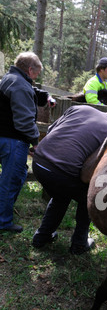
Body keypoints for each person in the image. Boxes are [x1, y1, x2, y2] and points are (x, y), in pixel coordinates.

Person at [32, 105, 107, 254]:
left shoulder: (80, 109)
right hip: (62, 172)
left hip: (39, 162)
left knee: (61, 196)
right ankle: (79, 243)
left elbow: (50, 130)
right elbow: (100, 162)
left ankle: (42, 236)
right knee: (88, 197)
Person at [0, 51, 55, 233]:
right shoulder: (20, 86)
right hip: (13, 140)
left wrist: (46, 96)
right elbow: (24, 121)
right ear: (30, 70)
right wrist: (35, 142)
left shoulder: (9, 78)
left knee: (15, 176)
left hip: (6, 137)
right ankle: (3, 221)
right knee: (12, 180)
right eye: (37, 73)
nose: (36, 76)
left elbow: (30, 91)